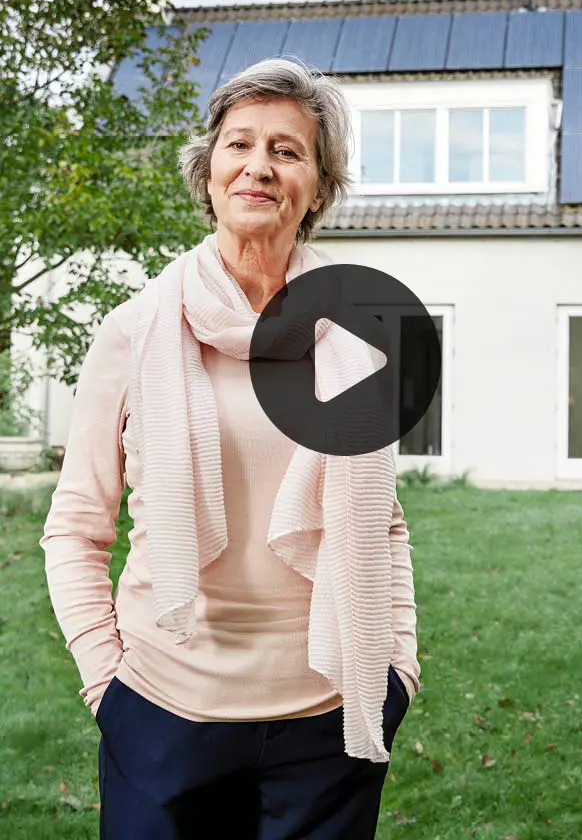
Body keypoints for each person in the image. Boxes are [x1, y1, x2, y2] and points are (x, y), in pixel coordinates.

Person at [40, 57, 420, 839]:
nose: (259, 166)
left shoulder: (355, 340)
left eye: (287, 150)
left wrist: (396, 672)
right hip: (165, 711)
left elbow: (383, 522)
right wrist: (104, 684)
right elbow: (76, 528)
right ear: (208, 173)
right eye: (239, 144)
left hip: (329, 717)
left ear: (318, 187)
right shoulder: (135, 331)